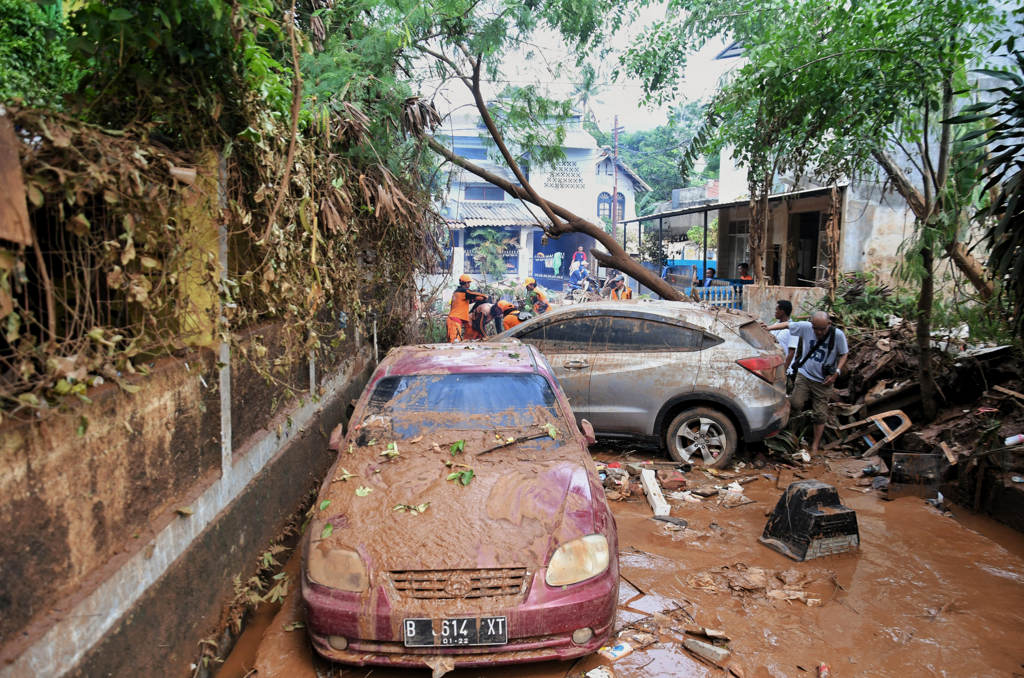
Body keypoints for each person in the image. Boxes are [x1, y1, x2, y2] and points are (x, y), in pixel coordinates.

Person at [769, 311, 849, 456]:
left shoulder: (837, 335)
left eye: (822, 329)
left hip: (823, 381)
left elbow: (844, 354)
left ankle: (815, 446)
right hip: (805, 375)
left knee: (820, 415)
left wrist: (836, 372)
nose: (818, 332)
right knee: (795, 403)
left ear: (829, 324)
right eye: (815, 329)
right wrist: (767, 328)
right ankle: (788, 436)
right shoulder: (806, 327)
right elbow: (787, 325)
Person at [447, 274, 487, 342]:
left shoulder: (457, 292)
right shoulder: (463, 291)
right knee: (454, 343)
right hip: (454, 321)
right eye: (468, 283)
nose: (469, 285)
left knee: (454, 342)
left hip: (453, 320)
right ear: (465, 283)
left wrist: (476, 299)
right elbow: (472, 293)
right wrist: (485, 296)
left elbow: (467, 301)